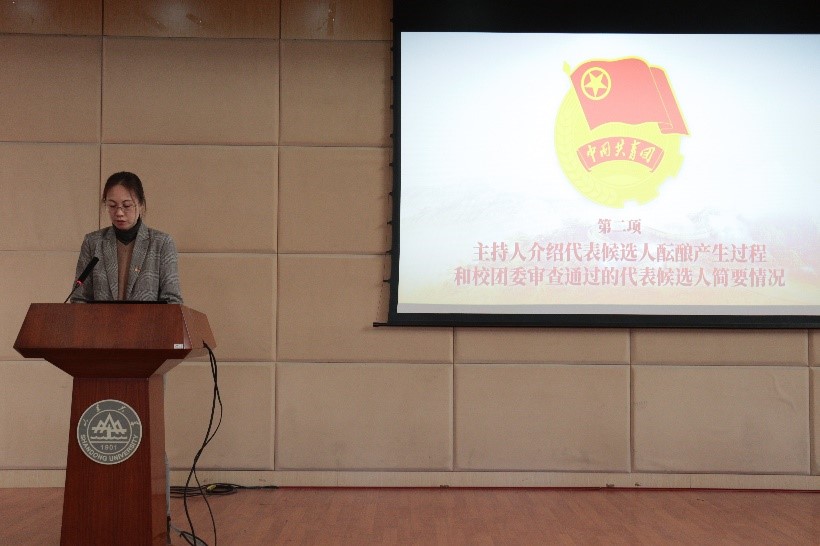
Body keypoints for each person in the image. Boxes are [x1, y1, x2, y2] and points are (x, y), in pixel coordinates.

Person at [70, 171, 182, 303]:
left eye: (127, 205)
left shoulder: (161, 244)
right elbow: (79, 298)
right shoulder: (93, 242)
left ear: (140, 204)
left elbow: (172, 301)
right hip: (101, 318)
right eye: (112, 206)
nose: (119, 212)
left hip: (148, 318)